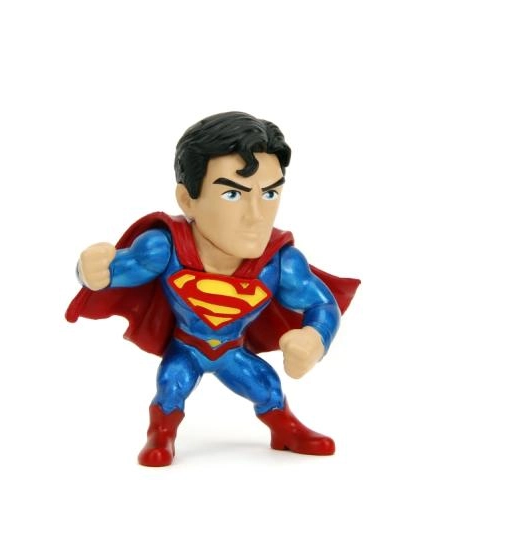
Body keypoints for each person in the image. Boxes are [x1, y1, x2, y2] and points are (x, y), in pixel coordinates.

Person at [66, 111, 360, 466]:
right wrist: (90, 270)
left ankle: (286, 430)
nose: (256, 215)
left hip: (232, 350)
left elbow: (322, 304)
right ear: (187, 200)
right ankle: (161, 433)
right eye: (233, 194)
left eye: (269, 193)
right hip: (187, 347)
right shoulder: (165, 248)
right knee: (171, 388)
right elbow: (113, 271)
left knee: (267, 387)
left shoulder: (279, 263)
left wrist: (315, 338)